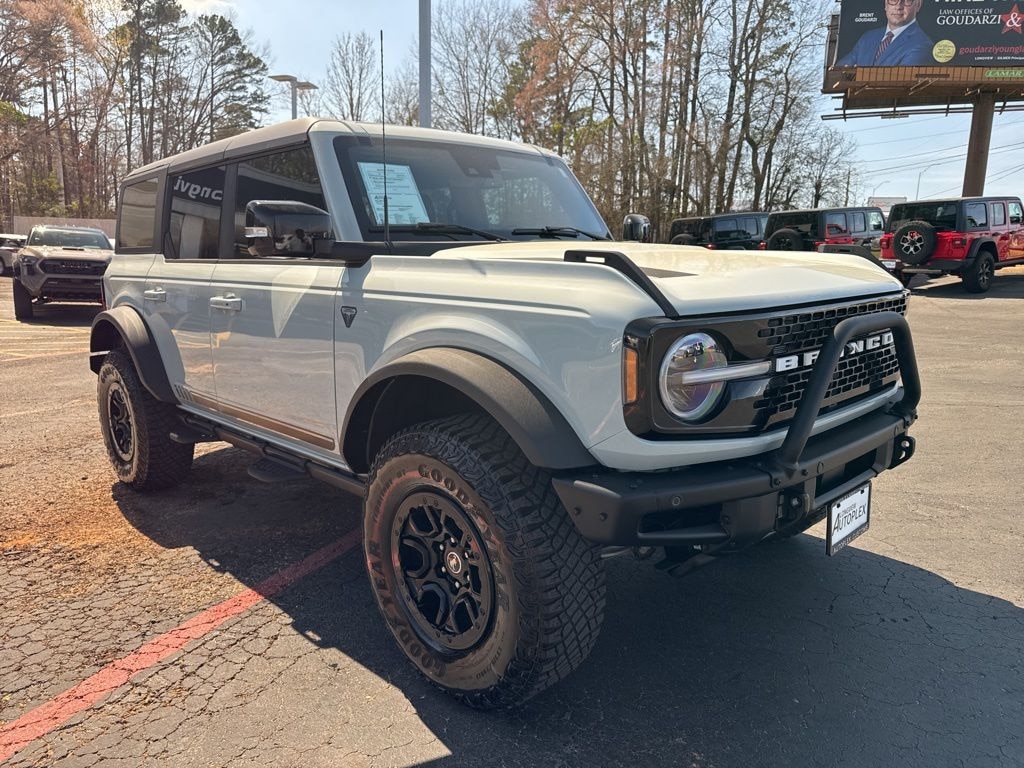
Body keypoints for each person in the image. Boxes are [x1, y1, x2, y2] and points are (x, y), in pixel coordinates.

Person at [837, 0, 934, 67]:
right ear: (885, 4)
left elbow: (900, 82)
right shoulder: (868, 37)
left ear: (918, 5)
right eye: (893, 0)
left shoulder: (922, 45)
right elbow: (840, 69)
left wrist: (855, 73)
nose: (898, 6)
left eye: (907, 1)